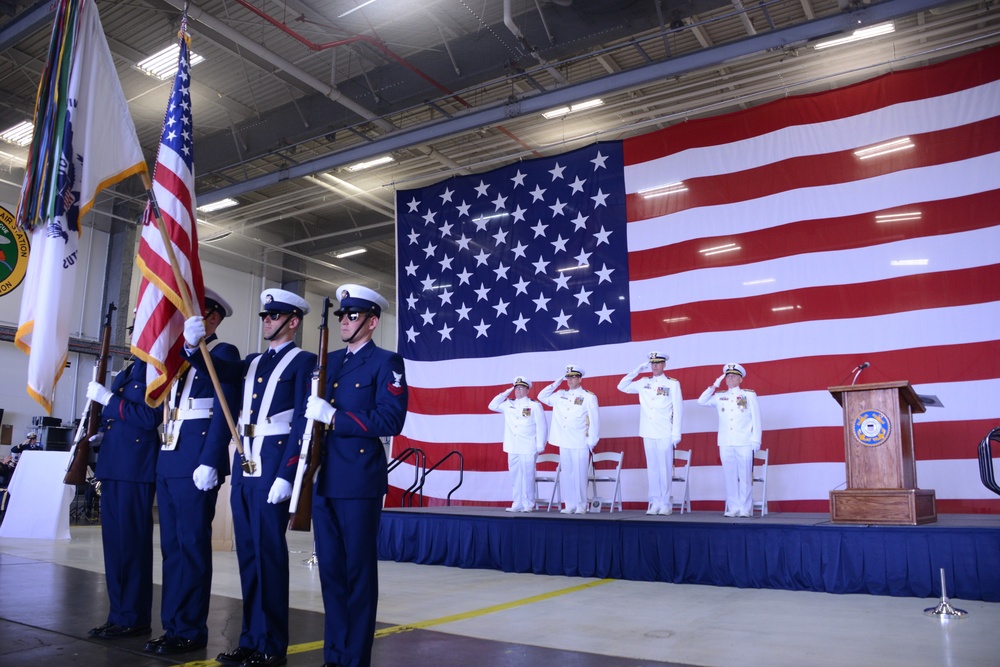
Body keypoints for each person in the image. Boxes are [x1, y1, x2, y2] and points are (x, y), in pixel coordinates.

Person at [184, 288, 315, 667]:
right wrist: (194, 347)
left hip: (272, 468)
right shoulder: (254, 360)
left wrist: (290, 473)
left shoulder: (303, 361)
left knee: (269, 557)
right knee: (250, 558)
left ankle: (271, 645)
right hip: (246, 467)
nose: (266, 321)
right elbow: (220, 371)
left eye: (274, 316)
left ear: (293, 321)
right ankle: (250, 638)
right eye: (264, 316)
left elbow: (303, 422)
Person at [304, 284, 408, 667]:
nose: (345, 321)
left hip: (359, 478)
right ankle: (335, 653)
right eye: (342, 316)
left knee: (357, 573)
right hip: (324, 477)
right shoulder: (328, 360)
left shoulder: (386, 362)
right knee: (331, 571)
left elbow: (390, 419)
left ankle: (355, 657)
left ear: (372, 321)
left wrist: (334, 417)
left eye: (352, 316)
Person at [144, 288, 241, 655]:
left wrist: (211, 458)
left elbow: (223, 408)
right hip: (170, 458)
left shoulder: (221, 353)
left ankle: (189, 629)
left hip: (195, 461)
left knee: (192, 548)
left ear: (212, 319)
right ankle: (172, 625)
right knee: (172, 549)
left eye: (197, 316)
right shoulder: (181, 356)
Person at [86, 356, 161, 640]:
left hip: (135, 466)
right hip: (114, 463)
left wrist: (108, 400)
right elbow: (115, 417)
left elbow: (150, 417)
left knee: (131, 545)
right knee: (115, 546)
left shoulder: (155, 369)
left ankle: (134, 617)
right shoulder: (128, 371)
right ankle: (118, 614)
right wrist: (104, 433)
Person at [617, 351, 683, 515]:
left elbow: (678, 409)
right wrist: (637, 371)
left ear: (664, 365)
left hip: (665, 432)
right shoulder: (643, 382)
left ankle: (666, 503)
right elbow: (622, 386)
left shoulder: (672, 384)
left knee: (665, 469)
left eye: (658, 363)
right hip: (648, 431)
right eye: (652, 363)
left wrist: (676, 433)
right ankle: (654, 502)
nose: (654, 366)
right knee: (652, 469)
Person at [697, 363, 762, 518]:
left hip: (744, 441)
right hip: (725, 441)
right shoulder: (719, 396)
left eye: (733, 376)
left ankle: (745, 508)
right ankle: (733, 507)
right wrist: (714, 385)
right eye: (728, 376)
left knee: (745, 476)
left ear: (740, 379)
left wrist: (756, 440)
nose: (730, 378)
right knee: (730, 475)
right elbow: (701, 401)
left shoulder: (748, 395)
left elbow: (756, 418)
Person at [538, 365, 600, 514]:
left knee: (580, 475)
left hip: (580, 441)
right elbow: (541, 396)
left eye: (573, 377)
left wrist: (591, 441)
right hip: (564, 441)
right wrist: (556, 383)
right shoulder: (559, 394)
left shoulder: (588, 396)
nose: (569, 380)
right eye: (568, 377)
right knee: (567, 475)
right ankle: (570, 504)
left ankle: (581, 505)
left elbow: (595, 420)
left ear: (580, 378)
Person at [488, 376, 548, 513]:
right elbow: (492, 405)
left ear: (527, 390)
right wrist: (505, 393)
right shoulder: (508, 404)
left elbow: (542, 426)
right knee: (515, 476)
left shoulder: (534, 405)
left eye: (521, 388)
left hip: (528, 446)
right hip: (512, 446)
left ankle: (528, 503)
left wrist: (540, 444)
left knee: (528, 476)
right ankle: (517, 502)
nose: (518, 390)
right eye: (516, 388)